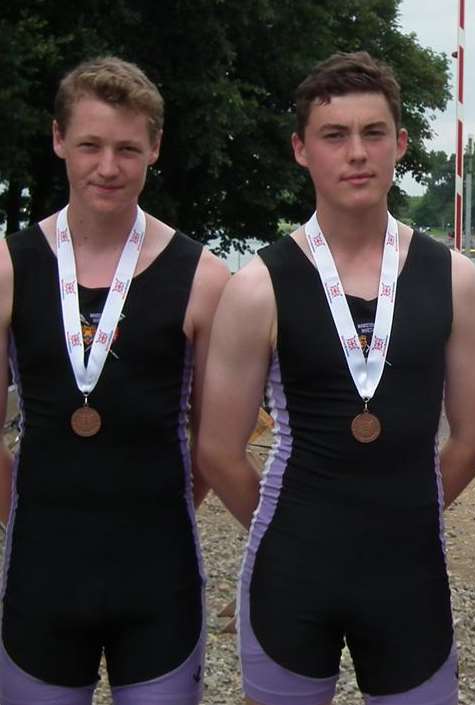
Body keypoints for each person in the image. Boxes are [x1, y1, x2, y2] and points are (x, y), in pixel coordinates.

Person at [196, 52, 475, 705]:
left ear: (400, 145)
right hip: (292, 569)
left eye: (373, 133)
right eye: (335, 136)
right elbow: (217, 448)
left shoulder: (454, 279)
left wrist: (405, 507)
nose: (356, 153)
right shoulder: (258, 286)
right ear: (302, 149)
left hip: (409, 568)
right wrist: (286, 525)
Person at [0, 57, 229, 705]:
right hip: (43, 569)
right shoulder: (9, 267)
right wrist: (33, 513)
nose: (108, 166)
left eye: (128, 148)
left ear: (155, 148)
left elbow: (213, 440)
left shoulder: (204, 277)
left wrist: (151, 506)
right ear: (57, 140)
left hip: (158, 568)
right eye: (90, 146)